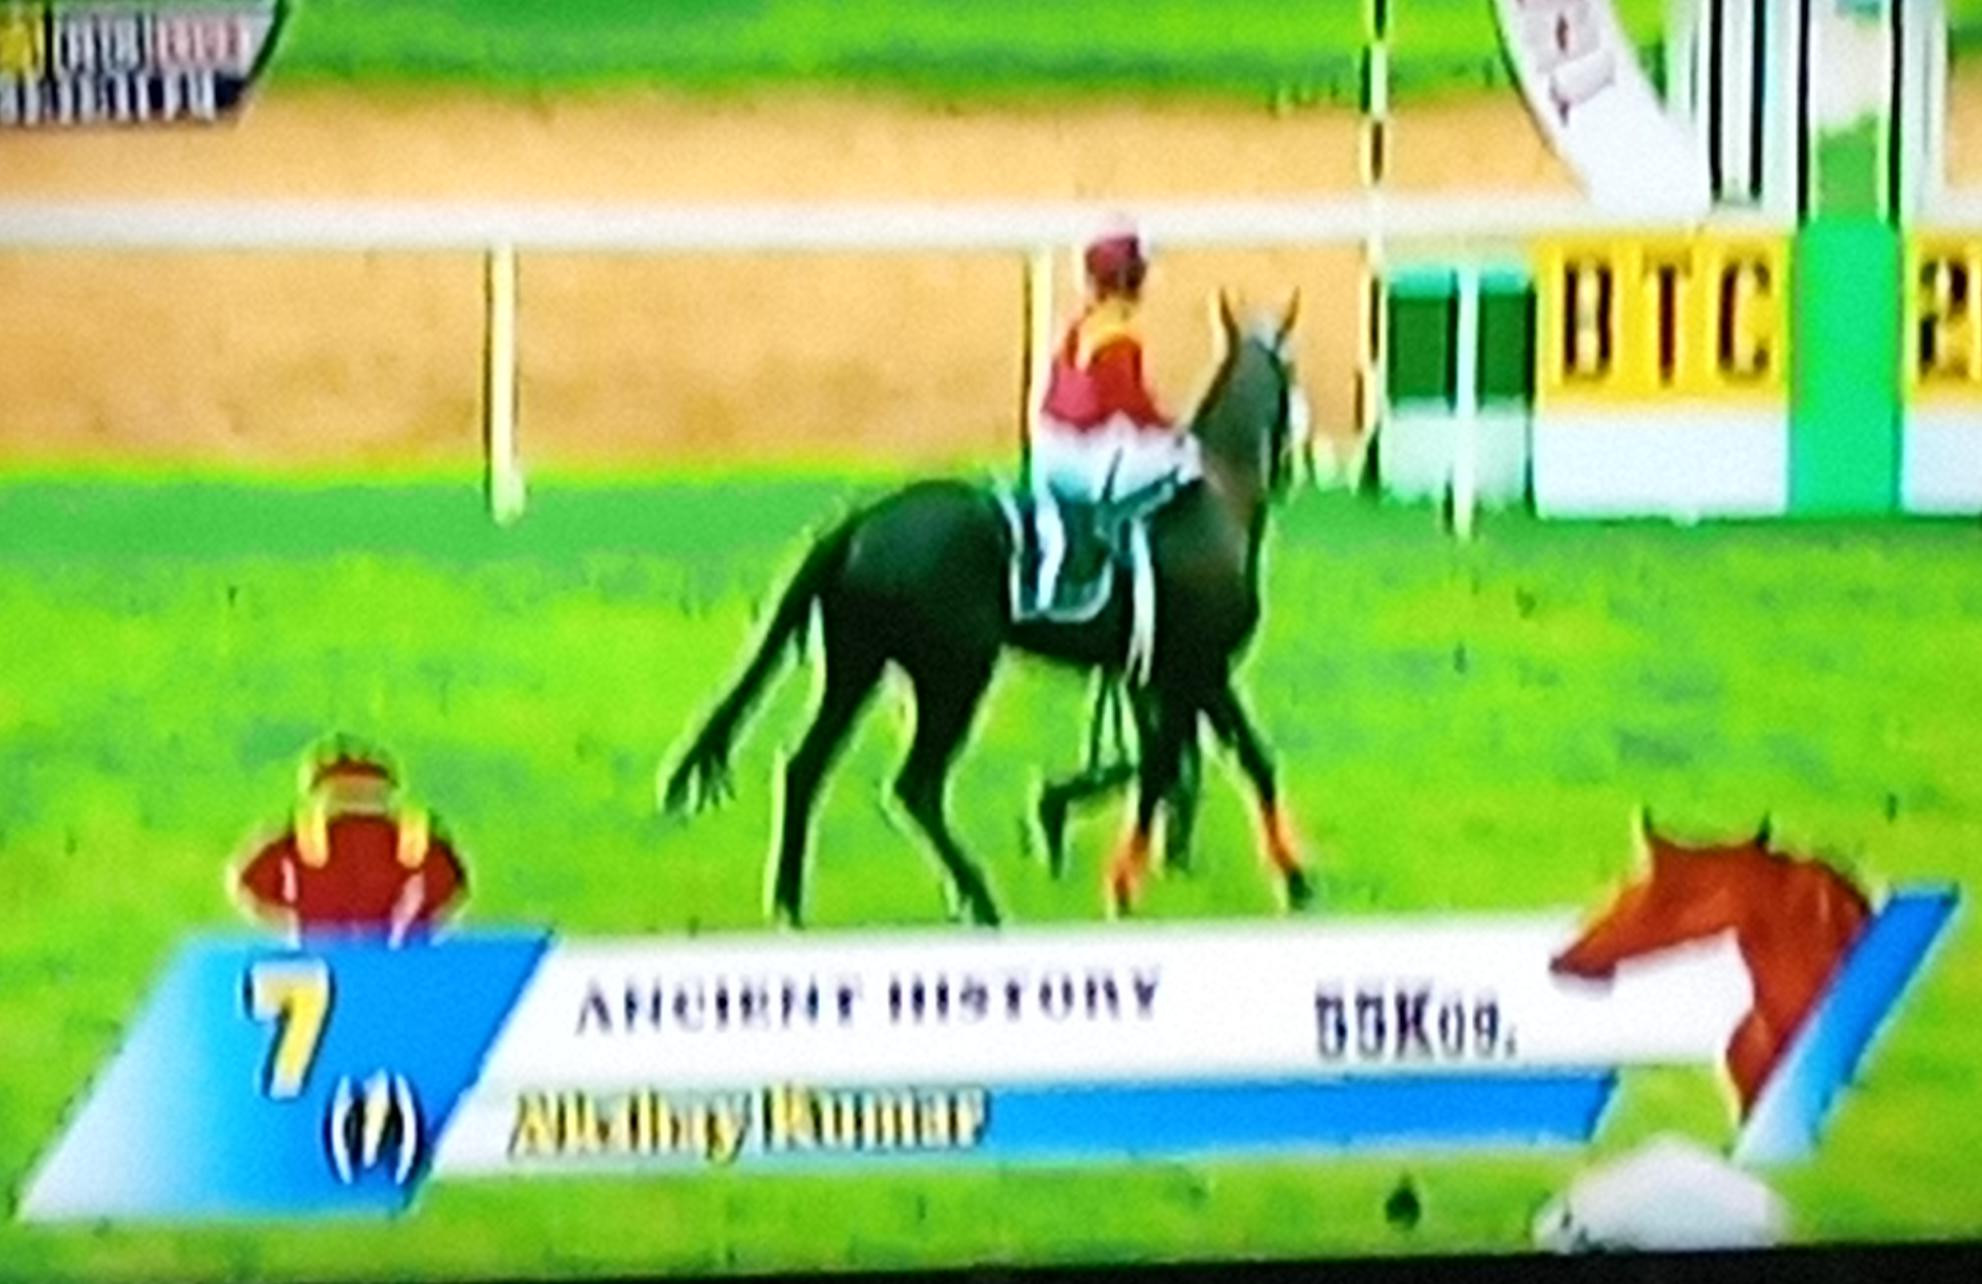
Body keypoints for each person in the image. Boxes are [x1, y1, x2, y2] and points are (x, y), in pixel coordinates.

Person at [1030, 224, 1198, 614]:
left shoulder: (1082, 323)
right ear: (1131, 278)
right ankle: (1122, 536)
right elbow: (1130, 405)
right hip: (1087, 460)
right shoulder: (1119, 332)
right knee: (1187, 460)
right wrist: (1171, 429)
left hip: (1051, 451)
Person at [235, 737, 468, 946]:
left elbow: (250, 885)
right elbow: (454, 890)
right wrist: (420, 935)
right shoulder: (420, 835)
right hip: (395, 956)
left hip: (324, 953)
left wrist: (293, 930)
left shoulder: (295, 834)